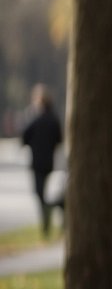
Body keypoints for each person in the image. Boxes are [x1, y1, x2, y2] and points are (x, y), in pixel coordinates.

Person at [22, 84, 64, 238]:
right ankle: (54, 211)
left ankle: (49, 218)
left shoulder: (35, 118)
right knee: (43, 193)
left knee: (40, 193)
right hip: (49, 162)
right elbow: (59, 139)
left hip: (37, 162)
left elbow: (24, 137)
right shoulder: (53, 119)